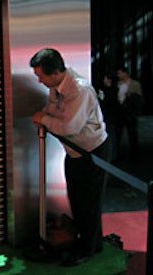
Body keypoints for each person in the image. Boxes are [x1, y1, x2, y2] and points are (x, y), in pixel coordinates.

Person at [29, 48, 108, 266]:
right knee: (77, 199)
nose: (40, 80)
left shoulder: (79, 90)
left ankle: (87, 250)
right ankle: (93, 243)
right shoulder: (56, 87)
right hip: (74, 152)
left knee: (87, 203)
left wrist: (44, 119)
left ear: (55, 72)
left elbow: (69, 127)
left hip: (92, 151)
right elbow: (52, 111)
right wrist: (45, 117)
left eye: (41, 76)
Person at [115, 66, 144, 158]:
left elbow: (139, 99)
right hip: (120, 111)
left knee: (132, 133)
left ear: (125, 73)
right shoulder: (118, 84)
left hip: (130, 112)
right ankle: (117, 153)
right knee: (118, 133)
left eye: (120, 73)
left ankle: (134, 153)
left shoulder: (135, 84)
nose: (118, 75)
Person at [97, 74, 119, 161]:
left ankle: (110, 155)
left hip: (108, 117)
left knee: (109, 137)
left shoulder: (106, 91)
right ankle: (113, 155)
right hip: (112, 117)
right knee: (113, 136)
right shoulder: (115, 90)